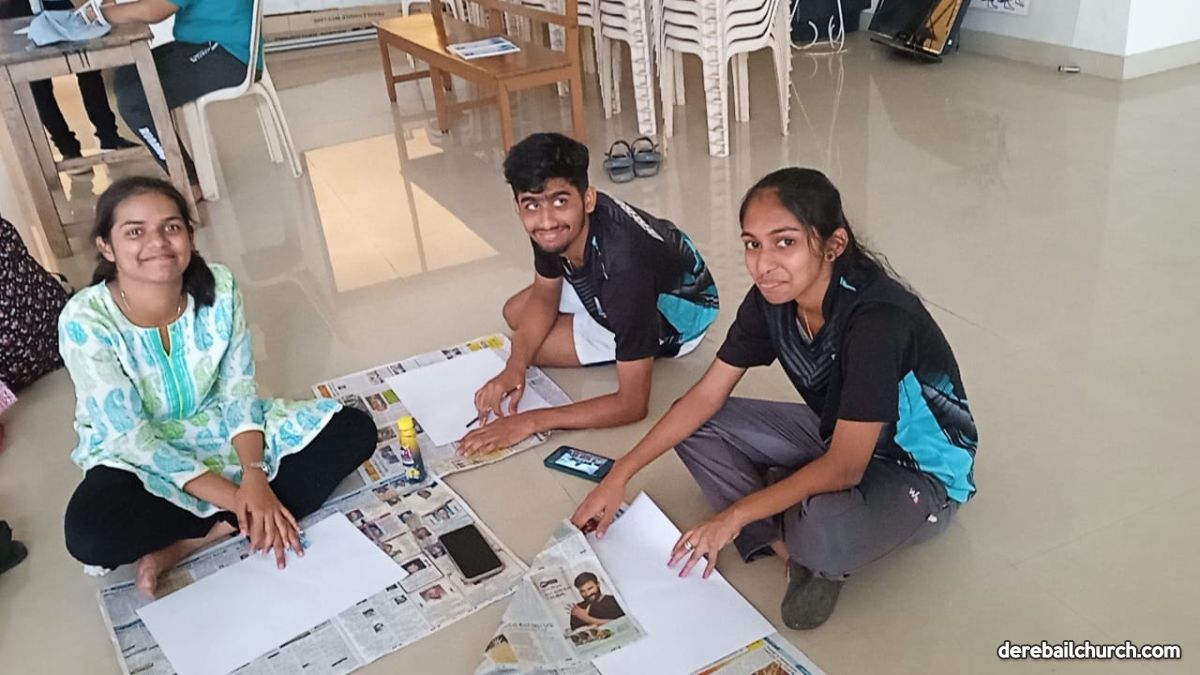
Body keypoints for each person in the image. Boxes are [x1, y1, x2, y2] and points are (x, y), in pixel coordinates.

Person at [571, 168, 977, 629]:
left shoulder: (876, 321)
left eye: (785, 242)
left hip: (917, 471)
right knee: (695, 423)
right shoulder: (772, 299)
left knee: (823, 530)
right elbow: (706, 395)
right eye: (752, 244)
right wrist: (619, 474)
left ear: (833, 245)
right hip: (839, 431)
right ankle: (787, 544)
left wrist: (732, 517)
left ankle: (800, 524)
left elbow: (847, 466)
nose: (763, 264)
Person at [60, 176, 375, 596]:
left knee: (354, 429)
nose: (157, 242)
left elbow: (237, 391)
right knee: (90, 534)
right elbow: (130, 438)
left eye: (171, 227)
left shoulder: (220, 287)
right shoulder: (84, 319)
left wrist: (254, 476)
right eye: (135, 232)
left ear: (190, 236)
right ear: (106, 247)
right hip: (137, 455)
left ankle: (197, 539)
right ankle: (241, 517)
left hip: (220, 429)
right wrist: (241, 497)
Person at [462, 133, 719, 455]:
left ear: (588, 199)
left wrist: (531, 421)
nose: (546, 220)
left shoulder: (625, 271)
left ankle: (617, 326)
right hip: (621, 279)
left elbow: (632, 404)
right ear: (518, 206)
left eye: (560, 201)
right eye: (532, 204)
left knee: (532, 344)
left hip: (677, 316)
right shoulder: (553, 229)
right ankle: (587, 316)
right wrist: (515, 366)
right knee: (515, 315)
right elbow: (544, 293)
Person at [87, 0, 257, 194]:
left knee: (133, 99)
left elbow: (154, 11)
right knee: (128, 74)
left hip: (228, 54)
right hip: (202, 44)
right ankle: (179, 167)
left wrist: (101, 14)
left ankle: (186, 181)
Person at [0, 1, 137, 172]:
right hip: (15, 11)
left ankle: (108, 138)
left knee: (88, 67)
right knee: (38, 84)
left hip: (56, 5)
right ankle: (69, 150)